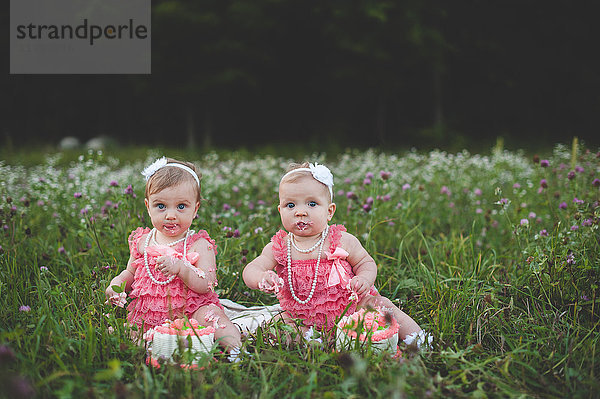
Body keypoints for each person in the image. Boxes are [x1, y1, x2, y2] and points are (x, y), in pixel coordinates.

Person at [243, 162, 430, 348]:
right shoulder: (280, 246)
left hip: (351, 308)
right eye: (290, 205)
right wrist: (261, 277)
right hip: (300, 315)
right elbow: (252, 268)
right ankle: (319, 342)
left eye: (312, 203)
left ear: (329, 211)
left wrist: (364, 279)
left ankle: (416, 339)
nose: (300, 212)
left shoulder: (341, 240)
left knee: (380, 304)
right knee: (276, 327)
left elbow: (365, 262)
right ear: (280, 210)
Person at [105, 157, 242, 354]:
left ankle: (236, 350)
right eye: (161, 206)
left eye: (181, 206)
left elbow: (207, 284)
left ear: (195, 209)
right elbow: (130, 273)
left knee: (213, 316)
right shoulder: (143, 242)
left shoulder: (199, 245)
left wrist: (181, 268)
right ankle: (156, 344)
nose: (170, 215)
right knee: (125, 331)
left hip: (191, 310)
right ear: (147, 206)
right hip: (149, 312)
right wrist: (117, 284)